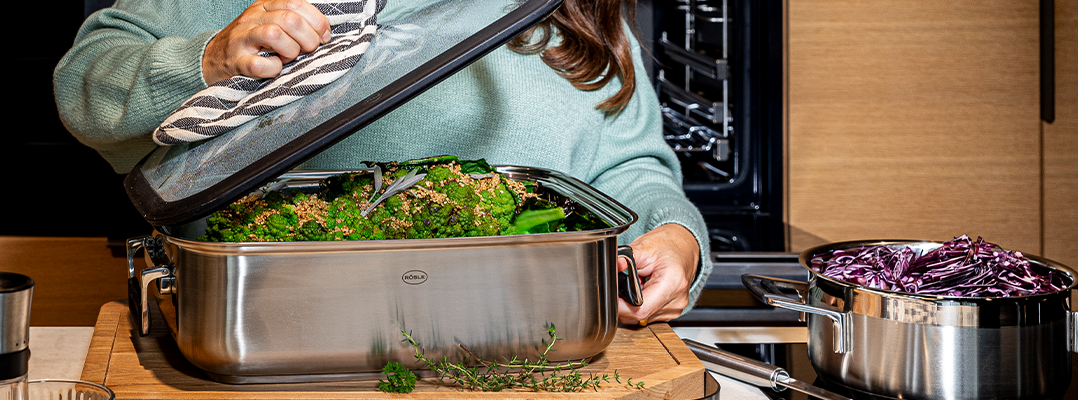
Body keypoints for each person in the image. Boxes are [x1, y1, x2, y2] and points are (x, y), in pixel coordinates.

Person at [53, 0, 711, 325]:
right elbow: (85, 80)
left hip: (532, 346)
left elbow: (631, 169)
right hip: (271, 331)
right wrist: (211, 55)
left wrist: (677, 238)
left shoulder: (574, 14)